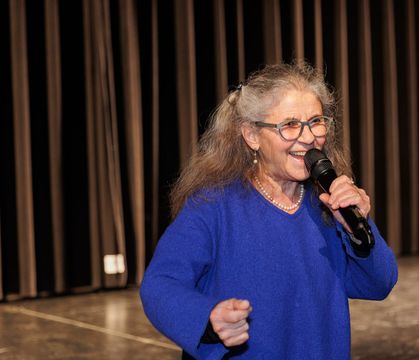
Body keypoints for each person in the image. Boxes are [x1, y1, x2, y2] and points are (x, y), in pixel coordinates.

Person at [140, 62, 398, 359]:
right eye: (289, 125)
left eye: (316, 121)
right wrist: (208, 320)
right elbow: (160, 284)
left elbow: (379, 284)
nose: (308, 137)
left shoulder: (329, 204)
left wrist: (357, 230)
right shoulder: (214, 206)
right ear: (251, 135)